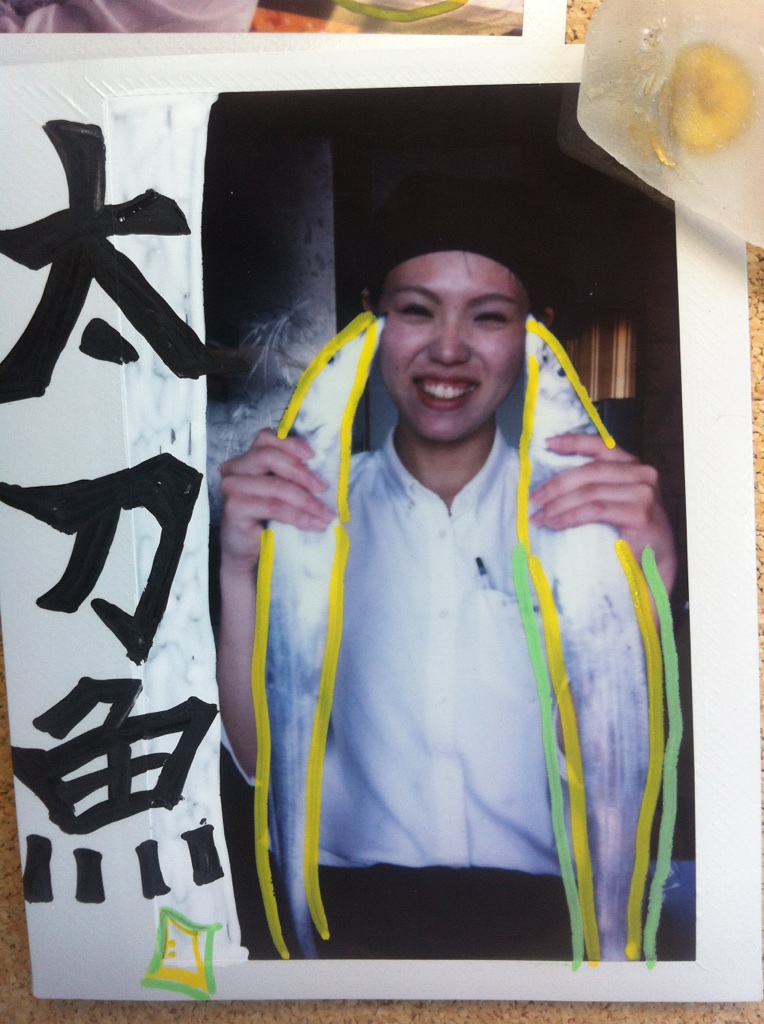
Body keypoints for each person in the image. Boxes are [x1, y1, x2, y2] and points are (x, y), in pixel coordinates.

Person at [216, 174, 677, 959]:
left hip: (549, 926)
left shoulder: (587, 520)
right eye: (416, 310)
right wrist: (238, 571)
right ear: (373, 320)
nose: (450, 349)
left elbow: (620, 762)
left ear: (535, 333)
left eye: (489, 316)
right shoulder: (307, 510)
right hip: (345, 922)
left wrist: (653, 584)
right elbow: (261, 764)